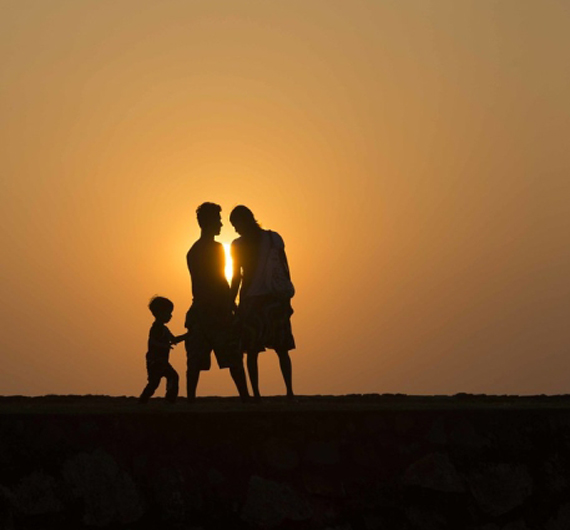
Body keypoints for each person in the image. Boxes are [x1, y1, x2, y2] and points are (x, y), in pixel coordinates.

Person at [185, 202, 250, 403]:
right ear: (208, 222)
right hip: (214, 312)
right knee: (233, 359)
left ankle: (191, 401)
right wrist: (230, 303)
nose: (221, 224)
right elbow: (219, 279)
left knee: (195, 362)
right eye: (218, 220)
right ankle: (245, 399)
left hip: (201, 311)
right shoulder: (215, 249)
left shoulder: (193, 251)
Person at [230, 205, 295, 401]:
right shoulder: (273, 238)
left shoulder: (240, 244)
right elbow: (284, 270)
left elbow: (236, 277)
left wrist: (231, 301)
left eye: (236, 224)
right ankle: (283, 393)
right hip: (270, 300)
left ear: (245, 220)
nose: (235, 229)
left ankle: (266, 394)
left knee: (255, 350)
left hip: (255, 301)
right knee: (274, 349)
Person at [139, 296, 186, 404]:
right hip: (155, 362)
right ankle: (143, 400)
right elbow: (152, 342)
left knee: (173, 377)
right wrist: (164, 346)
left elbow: (173, 339)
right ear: (159, 313)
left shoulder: (164, 329)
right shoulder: (156, 328)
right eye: (168, 313)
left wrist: (187, 336)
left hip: (163, 361)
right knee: (154, 383)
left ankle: (170, 399)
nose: (170, 316)